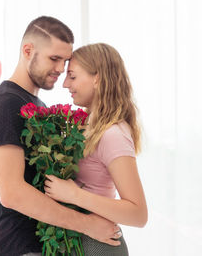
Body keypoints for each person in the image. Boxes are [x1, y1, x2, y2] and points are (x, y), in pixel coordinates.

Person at [0, 16, 122, 256]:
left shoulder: (37, 104)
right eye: (54, 58)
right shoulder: (6, 102)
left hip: (42, 245)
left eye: (65, 61)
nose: (60, 69)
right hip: (17, 246)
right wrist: (87, 225)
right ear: (28, 50)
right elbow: (12, 192)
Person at [44, 43, 148, 255]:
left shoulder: (112, 134)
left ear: (97, 78)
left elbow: (139, 214)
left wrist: (74, 195)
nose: (65, 84)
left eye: (72, 76)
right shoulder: (86, 126)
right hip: (81, 240)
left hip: (98, 246)